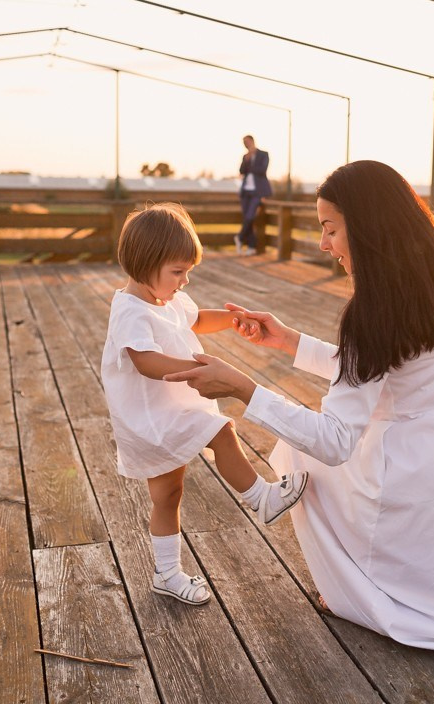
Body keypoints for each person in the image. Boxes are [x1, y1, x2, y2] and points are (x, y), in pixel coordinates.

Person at [166, 161, 434, 656]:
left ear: (365, 227)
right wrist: (289, 341)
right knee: (312, 445)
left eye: (329, 228)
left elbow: (333, 441)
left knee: (300, 457)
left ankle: (358, 590)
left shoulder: (373, 315)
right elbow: (382, 369)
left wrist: (243, 387)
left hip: (415, 497)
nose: (324, 243)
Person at [101, 202, 308, 606]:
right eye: (177, 272)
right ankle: (260, 499)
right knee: (215, 438)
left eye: (187, 271)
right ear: (146, 264)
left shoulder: (168, 300)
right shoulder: (129, 309)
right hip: (150, 418)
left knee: (170, 493)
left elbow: (195, 320)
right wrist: (197, 369)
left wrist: (232, 319)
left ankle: (167, 574)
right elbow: (144, 361)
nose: (185, 280)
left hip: (174, 409)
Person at [235, 134, 272, 255]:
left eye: (247, 142)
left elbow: (262, 170)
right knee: (247, 218)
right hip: (245, 191)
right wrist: (247, 160)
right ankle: (251, 246)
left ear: (252, 141)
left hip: (258, 192)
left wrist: (250, 164)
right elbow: (241, 171)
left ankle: (240, 237)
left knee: (250, 216)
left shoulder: (263, 154)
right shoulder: (245, 156)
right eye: (243, 143)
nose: (245, 145)